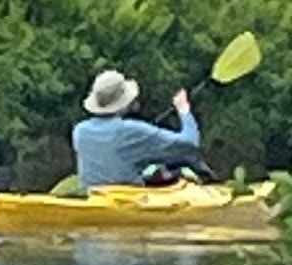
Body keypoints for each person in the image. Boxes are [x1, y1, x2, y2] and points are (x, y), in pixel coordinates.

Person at [71, 67, 206, 188]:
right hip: (128, 201)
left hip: (94, 197)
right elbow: (190, 143)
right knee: (181, 170)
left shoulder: (79, 131)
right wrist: (183, 109)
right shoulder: (132, 130)